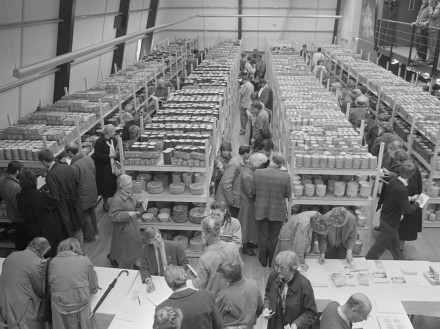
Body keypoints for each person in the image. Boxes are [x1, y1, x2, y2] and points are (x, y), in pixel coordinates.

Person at [366, 161, 423, 260]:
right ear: (412, 174)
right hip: (391, 222)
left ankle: (400, 261)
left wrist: (410, 198)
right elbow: (408, 210)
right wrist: (418, 202)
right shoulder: (402, 189)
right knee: (378, 247)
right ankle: (367, 261)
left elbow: (396, 198)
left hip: (386, 217)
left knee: (395, 245)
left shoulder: (394, 181)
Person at [0, 237, 50, 329]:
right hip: (22, 307)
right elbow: (40, 289)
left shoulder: (12, 255)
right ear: (43, 250)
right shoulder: (37, 263)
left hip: (4, 302)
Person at [49, 238, 98, 329]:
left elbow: (49, 283)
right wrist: (94, 290)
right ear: (76, 248)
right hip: (81, 300)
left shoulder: (52, 262)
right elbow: (93, 284)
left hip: (59, 303)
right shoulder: (85, 260)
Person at [262, 251, 318, 329]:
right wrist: (266, 308)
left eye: (282, 268)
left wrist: (296, 324)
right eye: (277, 266)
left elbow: (311, 313)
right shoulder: (274, 275)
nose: (278, 270)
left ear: (293, 268)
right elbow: (268, 293)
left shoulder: (304, 285)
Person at [254, 152, 291, 267]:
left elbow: (254, 190)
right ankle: (272, 261)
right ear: (281, 164)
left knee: (263, 235)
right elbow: (287, 194)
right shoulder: (285, 176)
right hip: (278, 210)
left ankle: (262, 260)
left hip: (261, 208)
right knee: (275, 236)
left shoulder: (258, 173)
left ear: (270, 159)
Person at [17, 169, 64, 257]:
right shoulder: (40, 195)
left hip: (29, 228)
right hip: (44, 227)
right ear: (34, 181)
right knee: (48, 251)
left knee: (36, 252)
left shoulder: (19, 197)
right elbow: (53, 203)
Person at [157, 265, 222, 329]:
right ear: (186, 277)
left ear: (168, 284)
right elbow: (218, 325)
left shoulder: (161, 308)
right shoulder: (206, 296)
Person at [38, 149, 83, 240]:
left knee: (69, 231)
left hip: (64, 207)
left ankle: (73, 251)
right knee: (77, 228)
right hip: (75, 202)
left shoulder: (51, 175)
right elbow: (77, 183)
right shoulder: (67, 167)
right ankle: (80, 251)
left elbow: (55, 196)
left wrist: (44, 193)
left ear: (43, 161)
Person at [192, 216, 240, 296]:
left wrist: (193, 279)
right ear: (220, 230)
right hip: (232, 296)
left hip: (213, 300)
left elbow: (199, 285)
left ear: (204, 233)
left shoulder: (204, 259)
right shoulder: (233, 246)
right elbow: (240, 269)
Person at [108, 174, 144, 269]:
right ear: (121, 185)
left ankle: (135, 261)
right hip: (124, 227)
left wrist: (139, 203)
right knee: (124, 247)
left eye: (131, 183)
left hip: (131, 224)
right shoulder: (117, 199)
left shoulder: (128, 192)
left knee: (134, 244)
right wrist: (127, 214)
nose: (131, 186)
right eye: (128, 184)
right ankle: (114, 258)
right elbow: (112, 215)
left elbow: (132, 203)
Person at [65, 142, 99, 242]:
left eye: (66, 152)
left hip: (83, 194)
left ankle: (90, 237)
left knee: (85, 215)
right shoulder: (88, 158)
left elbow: (74, 182)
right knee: (92, 211)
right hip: (92, 189)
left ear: (70, 152)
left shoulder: (74, 166)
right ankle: (96, 232)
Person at [215, 259, 263, 328]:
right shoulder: (253, 284)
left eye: (222, 276)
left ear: (229, 279)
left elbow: (216, 316)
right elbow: (259, 308)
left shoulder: (224, 295)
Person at [140, 227, 189, 292]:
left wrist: (176, 274)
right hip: (156, 279)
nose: (159, 240)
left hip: (173, 280)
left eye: (158, 236)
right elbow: (143, 267)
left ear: (160, 234)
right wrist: (148, 280)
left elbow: (185, 264)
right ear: (149, 242)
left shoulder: (175, 246)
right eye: (154, 240)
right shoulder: (145, 249)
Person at [238, 152, 268, 256]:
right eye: (261, 165)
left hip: (249, 203)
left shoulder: (249, 171)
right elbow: (250, 193)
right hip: (248, 204)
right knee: (246, 226)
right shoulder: (248, 176)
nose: (262, 167)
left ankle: (248, 243)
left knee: (250, 226)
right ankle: (245, 247)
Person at [216, 145, 252, 218]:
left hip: (230, 199)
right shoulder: (235, 163)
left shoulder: (239, 160)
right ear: (245, 154)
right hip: (227, 201)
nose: (250, 155)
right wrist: (231, 200)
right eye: (250, 153)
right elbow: (226, 183)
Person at [0, 160, 26, 249]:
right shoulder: (15, 187)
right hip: (18, 216)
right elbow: (18, 205)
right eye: (21, 171)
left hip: (11, 213)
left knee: (18, 235)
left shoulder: (2, 180)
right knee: (22, 237)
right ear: (17, 171)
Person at [93, 124, 117, 212]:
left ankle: (115, 202)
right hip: (103, 168)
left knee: (113, 184)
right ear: (109, 132)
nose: (115, 133)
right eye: (114, 131)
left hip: (113, 166)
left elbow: (115, 150)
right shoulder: (99, 142)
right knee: (105, 187)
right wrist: (109, 156)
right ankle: (105, 203)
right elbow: (97, 156)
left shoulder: (113, 139)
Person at [427, 0, 440, 64]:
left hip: (435, 29)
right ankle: (430, 58)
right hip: (431, 28)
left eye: (431, 4)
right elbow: (429, 15)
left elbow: (433, 16)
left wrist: (431, 10)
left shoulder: (439, 7)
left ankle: (432, 60)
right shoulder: (434, 7)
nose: (430, 5)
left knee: (433, 46)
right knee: (431, 45)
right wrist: (431, 10)